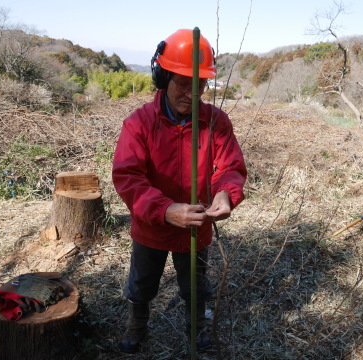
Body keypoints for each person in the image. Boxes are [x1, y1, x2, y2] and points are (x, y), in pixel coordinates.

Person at [112, 29, 247, 354]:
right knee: (142, 285)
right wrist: (164, 210)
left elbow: (230, 167)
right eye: (183, 84)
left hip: (196, 228)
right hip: (150, 228)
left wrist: (225, 193)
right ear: (163, 78)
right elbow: (128, 177)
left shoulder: (216, 121)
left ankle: (198, 327)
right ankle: (137, 325)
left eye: (199, 86)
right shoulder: (140, 124)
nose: (191, 94)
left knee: (196, 287)